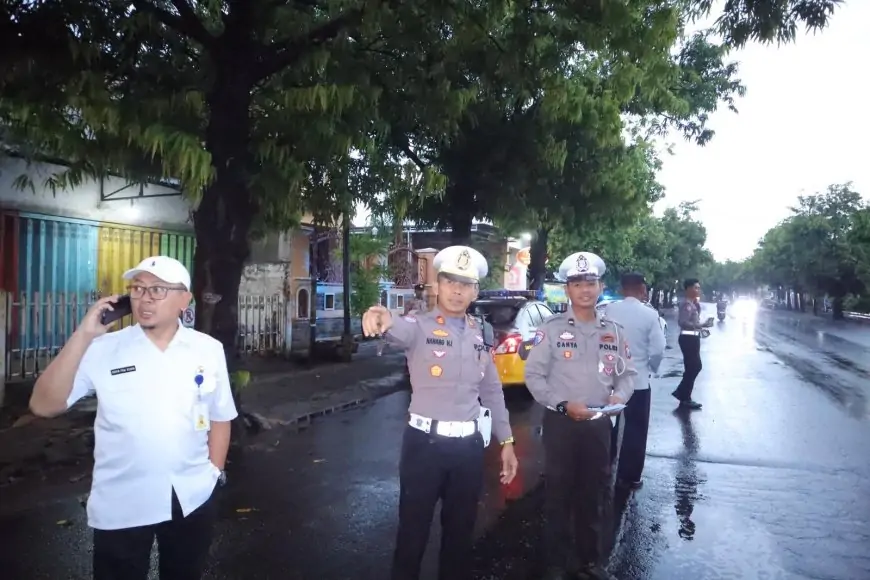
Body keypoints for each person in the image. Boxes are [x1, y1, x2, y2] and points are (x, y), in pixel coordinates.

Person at [29, 256, 237, 580]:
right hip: (122, 500)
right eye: (138, 289)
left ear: (184, 299)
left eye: (157, 289)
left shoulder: (207, 349)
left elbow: (221, 416)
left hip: (191, 497)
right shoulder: (103, 349)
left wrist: (214, 474)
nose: (145, 298)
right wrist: (84, 335)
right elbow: (43, 405)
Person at [362, 245, 519, 580]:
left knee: (459, 538)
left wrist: (506, 440)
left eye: (465, 284)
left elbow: (491, 390)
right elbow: (395, 328)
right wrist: (380, 316)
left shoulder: (482, 334)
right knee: (412, 537)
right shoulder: (418, 326)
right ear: (438, 284)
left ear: (475, 290)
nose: (457, 290)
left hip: (468, 450)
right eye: (450, 281)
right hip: (425, 448)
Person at [523, 251, 637, 580]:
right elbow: (535, 377)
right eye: (577, 283)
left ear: (600, 286)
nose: (585, 289)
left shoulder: (614, 331)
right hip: (561, 423)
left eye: (590, 282)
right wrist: (561, 404)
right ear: (567, 290)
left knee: (595, 493)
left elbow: (628, 374)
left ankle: (591, 562)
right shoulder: (551, 330)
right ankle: (556, 565)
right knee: (558, 494)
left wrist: (619, 395)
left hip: (600, 424)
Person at [604, 272, 666, 489]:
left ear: (622, 289)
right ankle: (629, 476)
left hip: (608, 380)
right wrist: (651, 368)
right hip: (638, 382)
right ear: (642, 289)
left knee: (607, 425)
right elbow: (658, 349)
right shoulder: (650, 315)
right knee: (636, 430)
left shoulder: (608, 311)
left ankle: (603, 467)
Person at [672, 278, 713, 410]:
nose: (698, 290)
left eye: (698, 288)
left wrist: (701, 326)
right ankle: (683, 395)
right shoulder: (686, 304)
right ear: (688, 289)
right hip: (688, 339)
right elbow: (683, 322)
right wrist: (701, 325)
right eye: (695, 287)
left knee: (693, 367)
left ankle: (684, 396)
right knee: (694, 367)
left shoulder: (692, 303)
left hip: (693, 338)